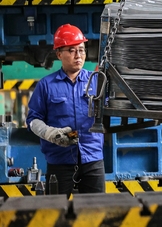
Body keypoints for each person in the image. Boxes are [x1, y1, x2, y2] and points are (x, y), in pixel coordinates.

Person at [26, 24, 105, 196]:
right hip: (59, 161)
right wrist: (50, 133)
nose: (78, 55)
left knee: (97, 212)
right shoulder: (46, 85)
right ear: (59, 54)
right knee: (56, 212)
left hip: (92, 158)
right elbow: (32, 119)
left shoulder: (97, 82)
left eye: (81, 50)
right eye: (72, 50)